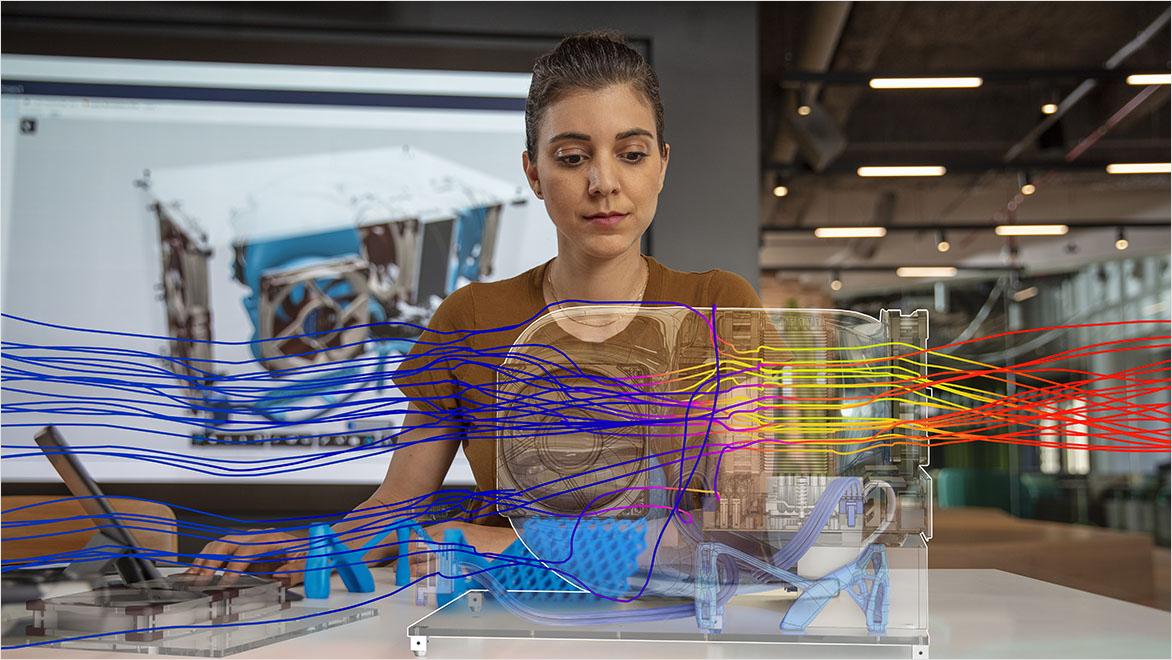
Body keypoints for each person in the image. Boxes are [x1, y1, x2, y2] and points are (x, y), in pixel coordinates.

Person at [187, 30, 761, 582]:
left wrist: (503, 545)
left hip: (670, 627)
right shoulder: (472, 317)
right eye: (571, 157)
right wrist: (310, 545)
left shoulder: (718, 305)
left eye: (631, 154)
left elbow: (740, 527)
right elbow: (396, 506)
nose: (604, 182)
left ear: (661, 163)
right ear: (533, 172)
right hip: (502, 624)